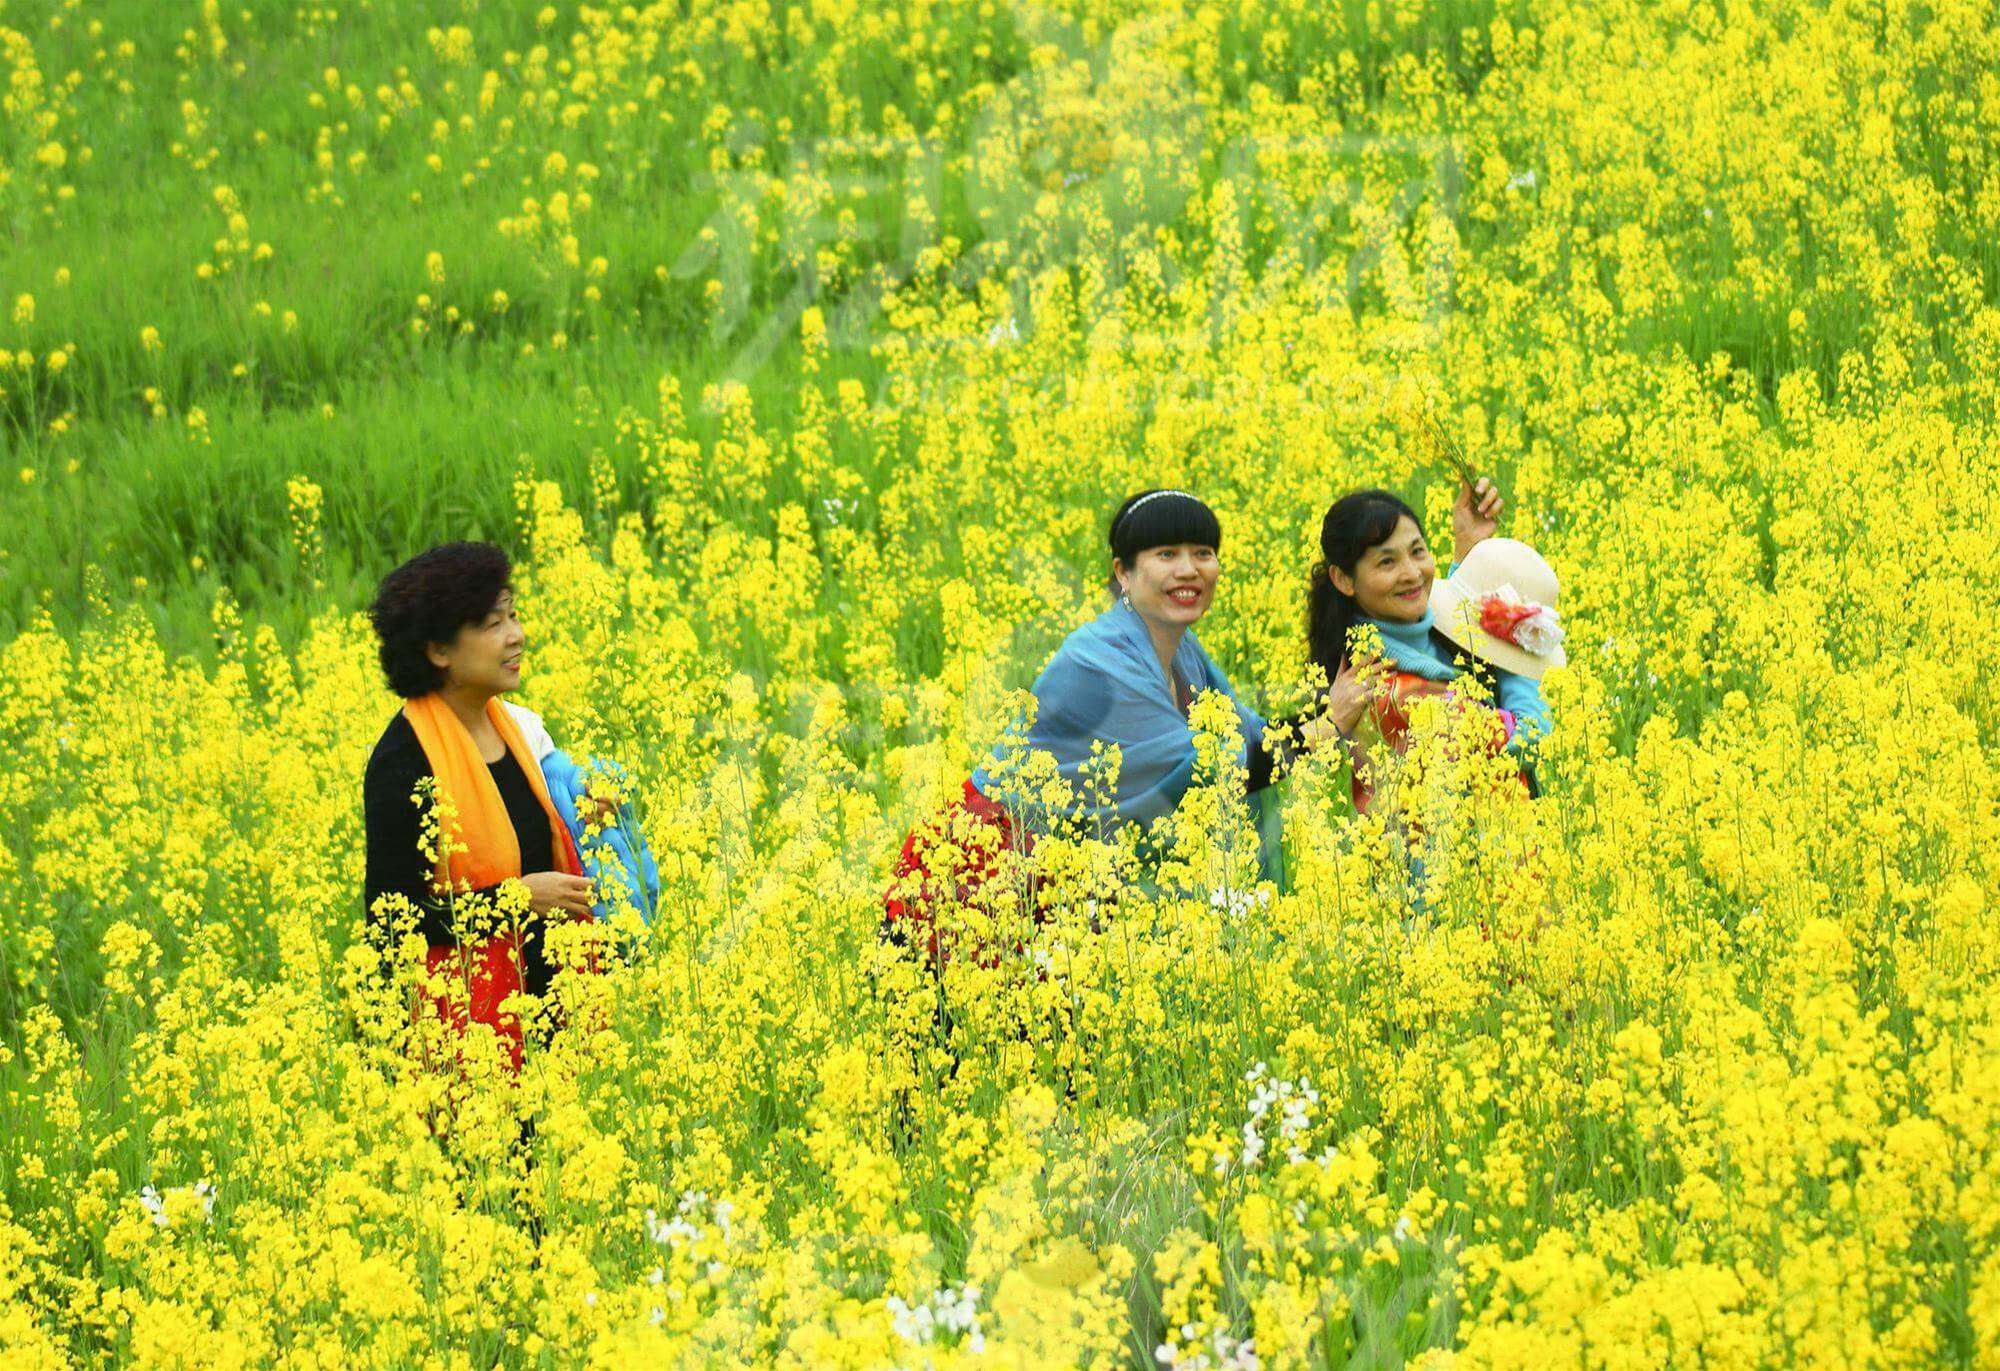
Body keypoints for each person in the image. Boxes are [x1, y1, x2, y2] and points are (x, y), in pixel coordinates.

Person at [884, 489, 1343, 964]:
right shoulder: (1102, 662)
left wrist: (1339, 711)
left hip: (1069, 871)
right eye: (1166, 554)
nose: (1189, 569)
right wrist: (1334, 724)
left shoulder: (1182, 652)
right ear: (1124, 573)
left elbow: (1250, 736)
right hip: (984, 867)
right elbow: (1212, 770)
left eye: (1203, 553)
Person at [362, 541, 596, 1072]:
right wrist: (510, 903)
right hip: (466, 1052)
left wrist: (593, 819)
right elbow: (390, 925)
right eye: (493, 624)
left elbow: (546, 845)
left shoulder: (520, 730)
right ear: (439, 651)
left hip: (552, 1024)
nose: (516, 635)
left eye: (513, 615)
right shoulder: (403, 764)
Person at [1306, 481, 1562, 815]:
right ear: (1344, 580)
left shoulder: (1408, 639)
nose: (1412, 573)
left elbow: (1442, 636)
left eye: (1417, 551)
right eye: (1387, 562)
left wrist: (1470, 558)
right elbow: (1525, 737)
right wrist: (1517, 649)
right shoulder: (1391, 693)